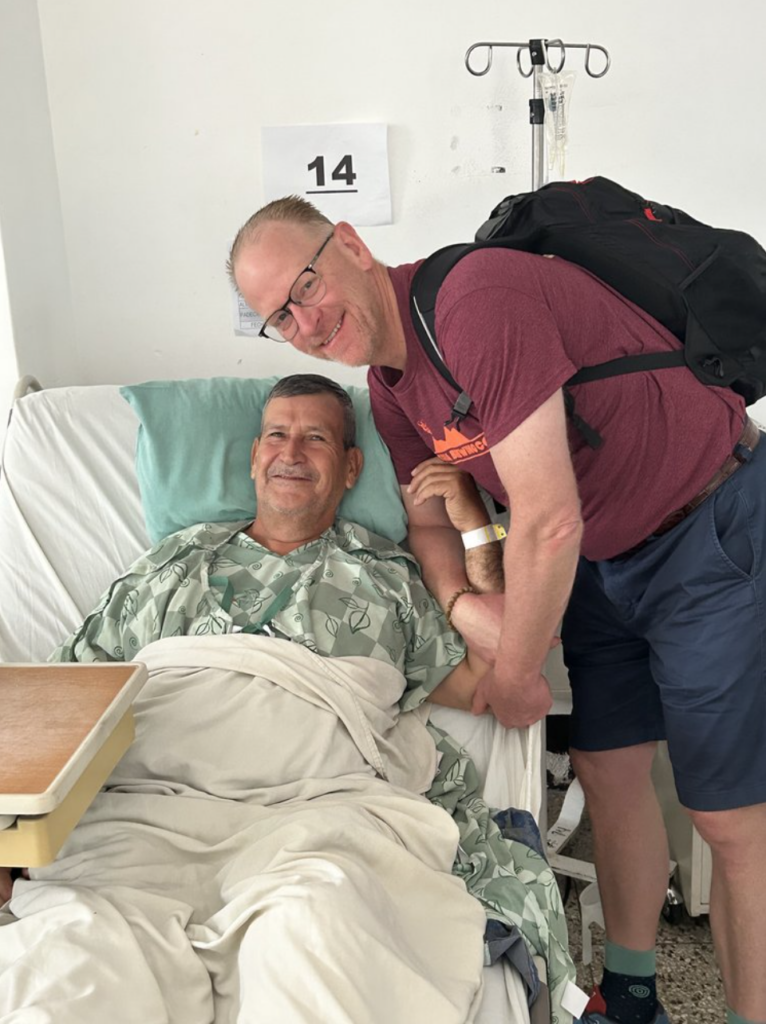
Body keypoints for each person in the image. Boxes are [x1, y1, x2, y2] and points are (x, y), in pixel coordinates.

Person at [227, 197, 766, 1024]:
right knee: (608, 771)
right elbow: (426, 519)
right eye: (277, 319)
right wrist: (455, 597)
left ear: (350, 244)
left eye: (303, 289)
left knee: (726, 820)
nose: (302, 323)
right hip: (600, 563)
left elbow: (548, 518)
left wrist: (516, 675)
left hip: (708, 529)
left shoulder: (474, 301)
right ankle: (629, 995)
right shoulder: (391, 388)